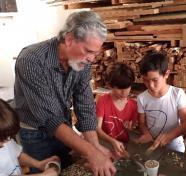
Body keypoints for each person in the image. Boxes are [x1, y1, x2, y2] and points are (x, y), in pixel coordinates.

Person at [14, 11, 116, 175]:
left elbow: (85, 104)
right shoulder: (31, 60)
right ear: (69, 39)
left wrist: (95, 146)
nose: (91, 59)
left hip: (63, 125)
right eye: (88, 51)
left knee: (68, 169)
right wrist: (91, 153)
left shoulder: (82, 61)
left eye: (95, 53)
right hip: (35, 133)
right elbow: (50, 118)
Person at [136, 51, 186, 153]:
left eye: (155, 80)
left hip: (175, 144)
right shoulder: (141, 98)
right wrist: (146, 134)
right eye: (146, 80)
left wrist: (169, 136)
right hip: (152, 142)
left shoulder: (177, 94)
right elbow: (142, 123)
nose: (150, 85)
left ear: (166, 74)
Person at [0, 98, 60, 176]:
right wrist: (43, 175)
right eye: (1, 139)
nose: (6, 142)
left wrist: (38, 164)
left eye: (8, 137)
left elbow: (17, 155)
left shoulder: (5, 139)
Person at [96, 63, 137, 157]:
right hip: (105, 144)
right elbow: (97, 128)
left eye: (127, 87)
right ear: (109, 85)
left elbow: (134, 129)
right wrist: (112, 141)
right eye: (120, 89)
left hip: (124, 146)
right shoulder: (103, 101)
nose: (124, 93)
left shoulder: (134, 105)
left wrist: (131, 128)